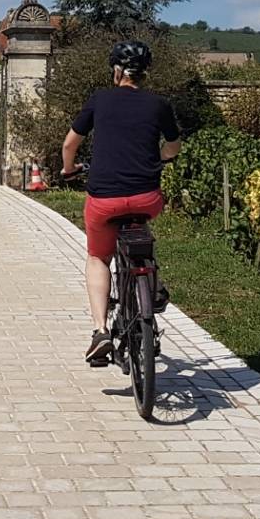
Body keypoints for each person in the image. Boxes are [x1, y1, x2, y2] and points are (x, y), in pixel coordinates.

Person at [61, 40, 180, 366]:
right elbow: (173, 147)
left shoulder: (100, 100)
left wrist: (68, 169)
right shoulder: (159, 104)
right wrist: (159, 158)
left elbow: (70, 143)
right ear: (145, 73)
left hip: (104, 200)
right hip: (146, 197)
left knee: (99, 257)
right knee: (142, 229)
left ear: (116, 71)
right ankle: (150, 281)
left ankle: (100, 331)